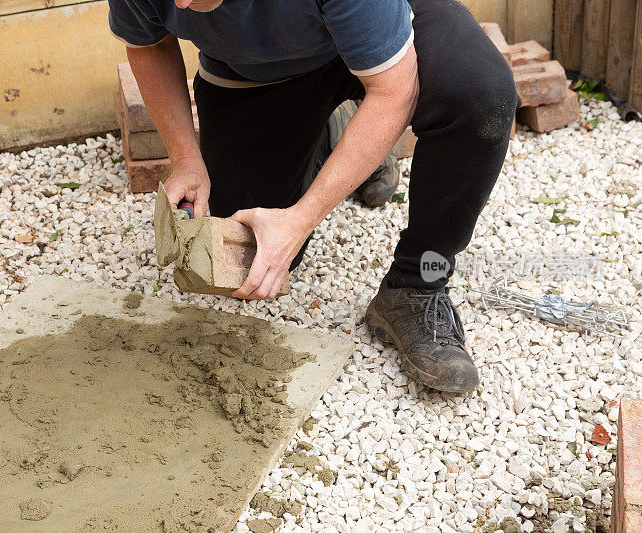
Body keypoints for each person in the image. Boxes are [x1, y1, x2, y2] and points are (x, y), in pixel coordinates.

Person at [109, 0, 520, 393]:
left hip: (389, 27)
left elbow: (394, 90)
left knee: (479, 94)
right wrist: (185, 159)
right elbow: (149, 43)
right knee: (248, 244)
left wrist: (300, 219)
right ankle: (340, 137)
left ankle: (418, 286)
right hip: (259, 67)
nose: (179, 6)